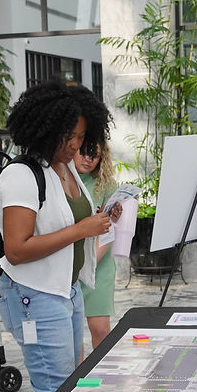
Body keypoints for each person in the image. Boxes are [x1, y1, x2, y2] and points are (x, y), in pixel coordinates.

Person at [0, 80, 112, 392]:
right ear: (45, 128)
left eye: (81, 136)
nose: (76, 144)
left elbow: (64, 220)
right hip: (36, 294)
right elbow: (16, 250)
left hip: (67, 290)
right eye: (68, 135)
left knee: (69, 386)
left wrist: (99, 218)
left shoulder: (65, 166)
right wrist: (81, 229)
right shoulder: (21, 174)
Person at [73, 141, 119, 350]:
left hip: (98, 265)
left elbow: (109, 229)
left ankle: (103, 379)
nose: (88, 159)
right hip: (67, 265)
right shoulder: (59, 181)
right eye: (84, 152)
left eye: (95, 155)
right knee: (72, 334)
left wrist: (88, 264)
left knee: (101, 330)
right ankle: (79, 380)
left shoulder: (107, 185)